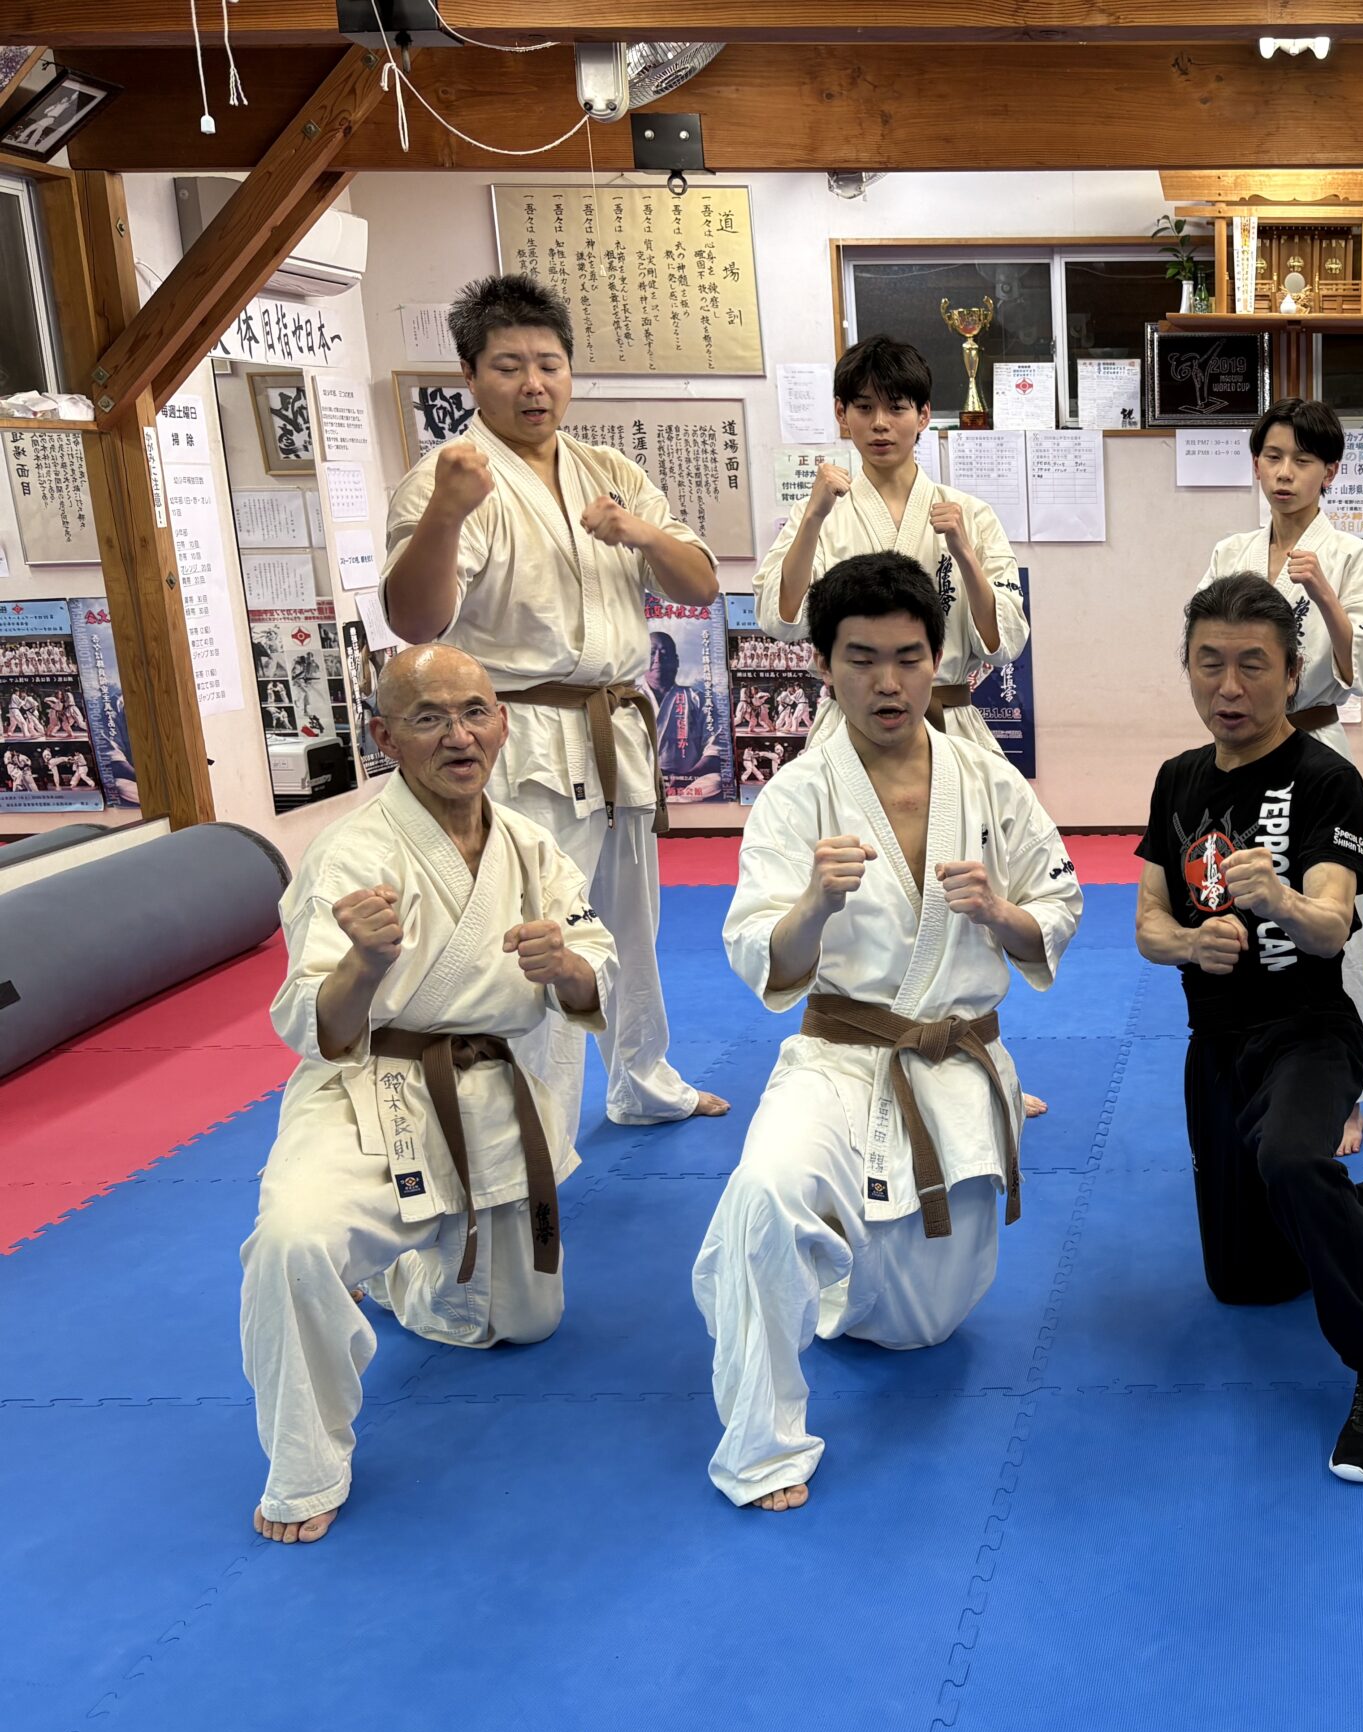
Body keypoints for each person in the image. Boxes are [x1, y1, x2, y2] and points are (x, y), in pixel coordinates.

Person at [692, 553, 1083, 1510]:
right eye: (861, 659)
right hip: (837, 1057)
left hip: (954, 1061)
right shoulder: (796, 796)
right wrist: (814, 908)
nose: (888, 682)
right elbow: (756, 950)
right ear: (823, 665)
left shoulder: (989, 782)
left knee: (921, 1327)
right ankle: (761, 1446)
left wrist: (1000, 913)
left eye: (908, 658)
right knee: (763, 1195)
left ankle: (840, 1275)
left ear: (935, 658)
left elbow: (1059, 905)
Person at [237, 645, 616, 1544]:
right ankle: (304, 1466)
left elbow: (594, 966)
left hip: (490, 1089)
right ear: (383, 737)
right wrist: (365, 964)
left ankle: (407, 1274)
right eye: (429, 718)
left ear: (503, 722)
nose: (460, 736)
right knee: (293, 1242)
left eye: (475, 712)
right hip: (369, 1089)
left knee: (524, 1324)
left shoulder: (531, 845)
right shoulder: (352, 852)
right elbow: (309, 1021)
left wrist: (565, 967)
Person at [381, 272, 729, 1129]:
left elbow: (700, 584)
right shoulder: (448, 478)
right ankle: (531, 1123)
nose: (533, 385)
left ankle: (642, 1080)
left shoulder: (609, 472)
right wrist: (446, 517)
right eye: (508, 367)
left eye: (549, 364)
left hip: (615, 727)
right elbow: (413, 621)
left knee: (630, 926)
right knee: (535, 934)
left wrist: (639, 531)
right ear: (470, 376)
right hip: (518, 735)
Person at [1138, 572, 1363, 1485]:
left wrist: (1277, 898)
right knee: (1251, 1281)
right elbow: (1149, 922)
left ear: (1291, 673)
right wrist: (1189, 943)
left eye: (1253, 665)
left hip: (1310, 1029)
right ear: (1187, 668)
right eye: (1209, 664)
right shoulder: (1177, 779)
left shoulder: (1325, 778)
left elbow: (1330, 922)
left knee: (1290, 1160)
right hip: (1217, 1043)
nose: (1229, 687)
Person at [1198, 398, 1363, 1153]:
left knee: (1335, 920)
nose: (1285, 473)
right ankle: (1255, 1067)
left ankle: (1345, 1092)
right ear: (1257, 464)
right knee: (1238, 908)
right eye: (1273, 457)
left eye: (1302, 460)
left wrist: (1326, 598)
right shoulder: (1231, 552)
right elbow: (1206, 647)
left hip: (1315, 747)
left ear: (1329, 472)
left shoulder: (1351, 556)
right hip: (1239, 750)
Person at [750, 333, 1027, 758]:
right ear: (842, 413)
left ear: (923, 415)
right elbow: (781, 621)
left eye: (896, 407)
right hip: (848, 727)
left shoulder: (971, 515)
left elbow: (1003, 645)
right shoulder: (819, 513)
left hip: (947, 725)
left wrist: (964, 555)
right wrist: (812, 519)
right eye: (864, 408)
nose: (880, 423)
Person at [646, 627, 725, 801]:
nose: (658, 659)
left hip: (687, 783)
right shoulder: (628, 699)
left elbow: (715, 748)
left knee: (716, 781)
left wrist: (685, 777)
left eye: (664, 653)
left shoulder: (697, 698)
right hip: (640, 783)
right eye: (651, 653)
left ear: (676, 661)